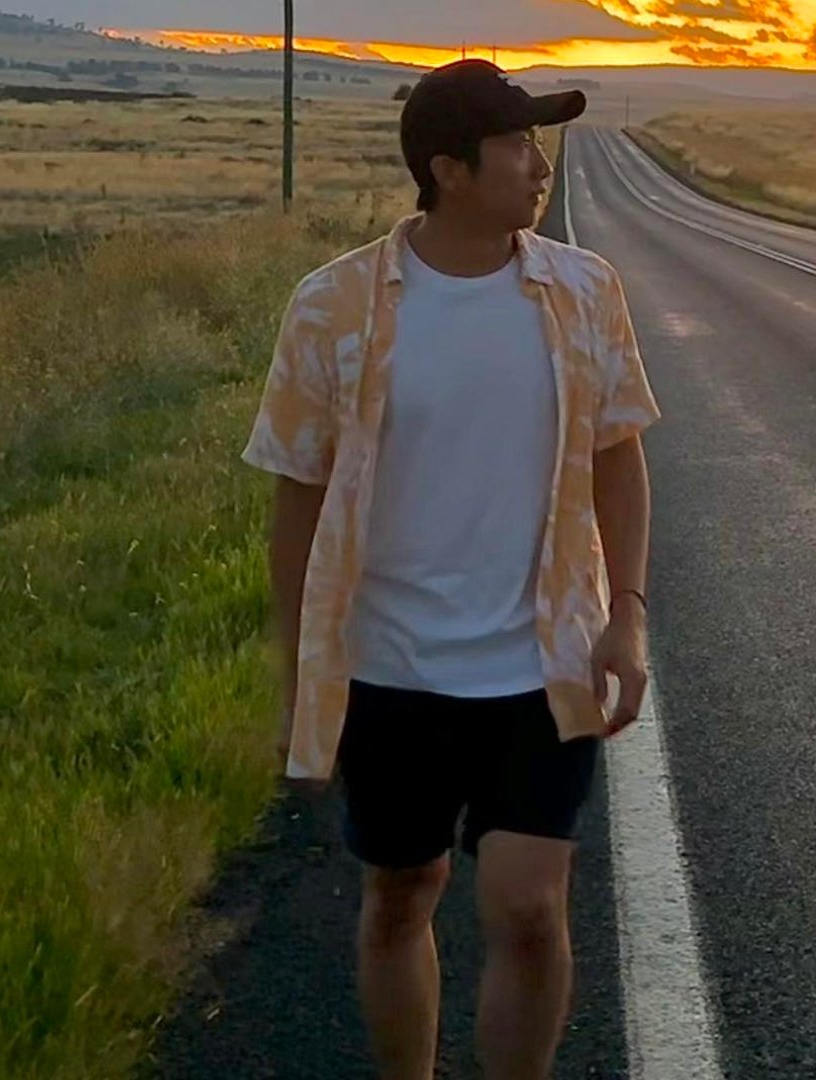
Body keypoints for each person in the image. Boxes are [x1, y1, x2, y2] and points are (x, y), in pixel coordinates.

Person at [239, 59, 659, 1080]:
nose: (539, 164)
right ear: (450, 170)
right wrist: (300, 663)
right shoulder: (333, 306)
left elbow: (619, 454)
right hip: (392, 666)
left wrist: (628, 615)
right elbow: (296, 494)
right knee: (402, 893)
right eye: (518, 144)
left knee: (526, 905)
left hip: (539, 660)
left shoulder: (583, 291)